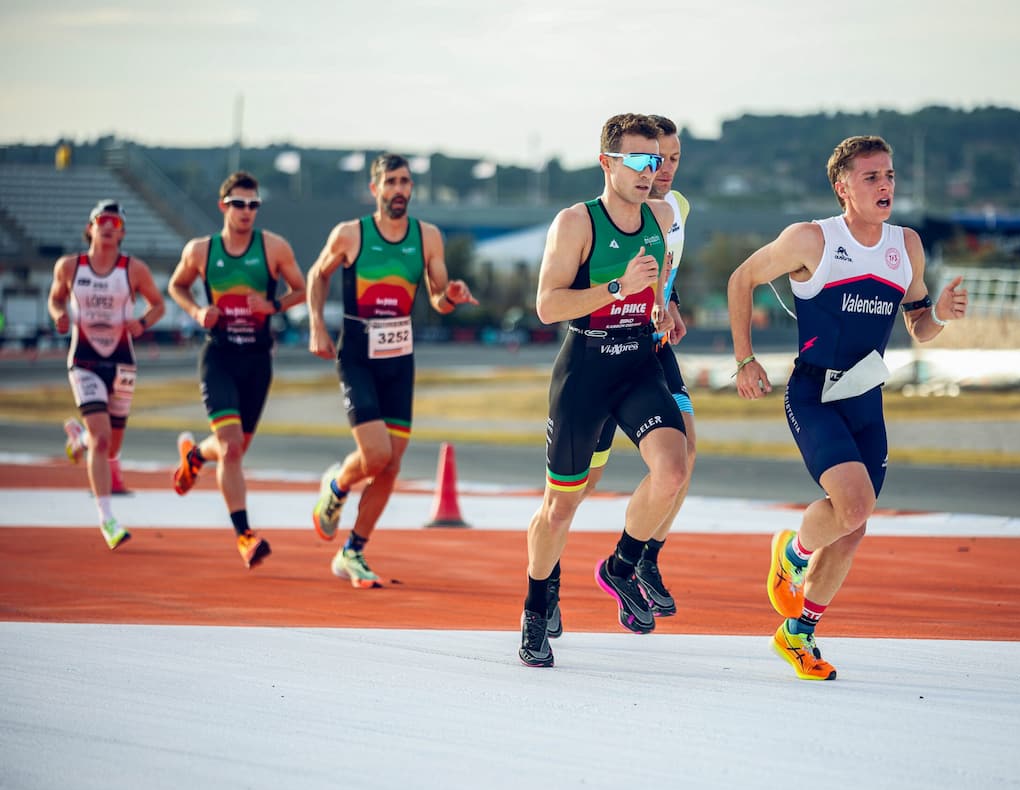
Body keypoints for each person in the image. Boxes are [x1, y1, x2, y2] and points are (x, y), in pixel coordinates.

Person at [727, 135, 968, 681]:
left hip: (865, 396)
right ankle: (790, 555)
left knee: (853, 527)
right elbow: (741, 277)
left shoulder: (906, 246)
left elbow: (919, 324)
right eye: (871, 178)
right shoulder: (811, 239)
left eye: (889, 176)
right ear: (843, 188)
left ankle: (797, 636)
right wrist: (745, 360)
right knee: (854, 505)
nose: (885, 186)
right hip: (812, 393)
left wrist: (943, 316)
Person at [519, 113, 688, 668]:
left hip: (638, 361)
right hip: (586, 369)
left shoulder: (662, 216)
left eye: (657, 160)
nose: (650, 171)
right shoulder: (576, 223)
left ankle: (621, 565)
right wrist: (617, 286)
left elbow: (657, 282)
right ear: (607, 163)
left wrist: (664, 306)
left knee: (674, 467)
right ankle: (537, 605)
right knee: (560, 508)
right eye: (638, 161)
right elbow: (548, 307)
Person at [308, 153, 477, 589]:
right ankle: (337, 486)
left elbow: (438, 298)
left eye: (406, 182)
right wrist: (316, 327)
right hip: (358, 356)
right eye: (392, 182)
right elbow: (316, 275)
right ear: (375, 189)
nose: (400, 190)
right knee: (375, 455)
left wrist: (451, 296)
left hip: (400, 359)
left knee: (390, 465)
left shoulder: (428, 237)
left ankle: (353, 552)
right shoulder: (350, 234)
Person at [579, 114, 693, 618]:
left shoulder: (677, 210)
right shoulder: (625, 207)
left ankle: (641, 557)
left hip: (653, 346)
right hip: (601, 350)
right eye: (655, 159)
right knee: (583, 483)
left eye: (673, 159)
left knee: (683, 455)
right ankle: (550, 573)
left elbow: (662, 270)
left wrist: (671, 303)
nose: (663, 169)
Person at [167, 172, 306, 569]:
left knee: (233, 448)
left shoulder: (274, 248)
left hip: (258, 361)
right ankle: (245, 535)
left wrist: (274, 306)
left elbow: (304, 288)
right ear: (223, 206)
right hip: (220, 357)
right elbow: (177, 286)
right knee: (229, 448)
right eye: (239, 204)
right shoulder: (201, 250)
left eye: (253, 204)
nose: (247, 212)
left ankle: (194, 456)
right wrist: (196, 310)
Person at [49, 199, 165, 550]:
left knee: (110, 445)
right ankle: (107, 519)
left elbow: (158, 304)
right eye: (103, 219)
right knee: (102, 440)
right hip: (83, 358)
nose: (109, 226)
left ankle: (78, 440)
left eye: (115, 221)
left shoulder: (134, 269)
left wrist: (142, 322)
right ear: (91, 227)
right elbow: (55, 299)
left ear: (123, 231)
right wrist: (59, 315)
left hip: (122, 360)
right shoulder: (70, 266)